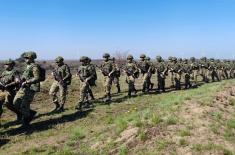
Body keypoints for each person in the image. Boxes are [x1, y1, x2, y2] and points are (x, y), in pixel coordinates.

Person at [13, 51, 40, 127]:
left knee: (25, 105)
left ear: (32, 58)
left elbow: (37, 78)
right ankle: (30, 113)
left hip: (30, 88)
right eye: (25, 58)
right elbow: (25, 76)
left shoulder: (34, 66)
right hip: (23, 87)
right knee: (16, 102)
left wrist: (27, 81)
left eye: (27, 58)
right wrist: (18, 79)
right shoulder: (27, 66)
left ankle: (25, 123)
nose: (25, 59)